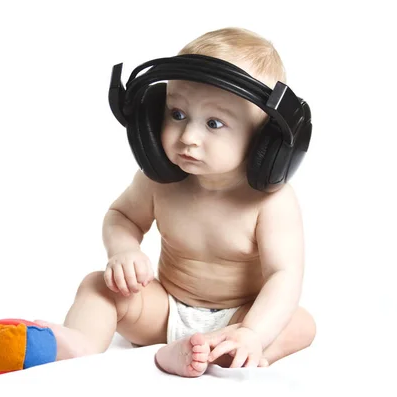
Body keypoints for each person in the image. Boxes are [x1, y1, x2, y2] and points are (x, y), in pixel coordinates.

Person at [36, 27, 316, 378]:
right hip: (162, 309)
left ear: (266, 143)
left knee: (300, 323)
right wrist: (123, 251)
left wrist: (252, 333)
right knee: (97, 285)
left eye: (214, 123)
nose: (188, 137)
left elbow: (283, 276)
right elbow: (121, 216)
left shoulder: (271, 203)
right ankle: (80, 343)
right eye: (177, 114)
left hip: (238, 316)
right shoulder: (160, 181)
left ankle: (224, 350)